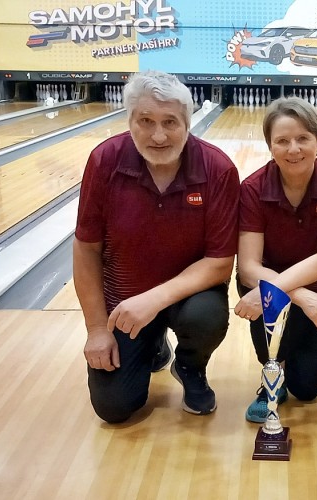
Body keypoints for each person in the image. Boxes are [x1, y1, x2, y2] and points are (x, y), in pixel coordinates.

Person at [74, 70, 240, 422]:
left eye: (170, 122)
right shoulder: (105, 161)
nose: (159, 135)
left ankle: (190, 366)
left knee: (206, 316)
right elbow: (86, 249)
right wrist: (97, 330)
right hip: (125, 301)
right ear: (129, 121)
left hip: (188, 298)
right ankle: (153, 346)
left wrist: (153, 300)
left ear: (188, 123)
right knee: (114, 408)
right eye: (146, 121)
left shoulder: (217, 168)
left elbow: (220, 263)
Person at [234, 97, 317, 423]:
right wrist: (298, 295)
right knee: (263, 295)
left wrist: (290, 291)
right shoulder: (253, 188)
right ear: (269, 146)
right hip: (267, 286)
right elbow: (248, 267)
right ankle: (272, 378)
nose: (293, 149)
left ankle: (290, 369)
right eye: (282, 141)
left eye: (303, 138)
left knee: (308, 387)